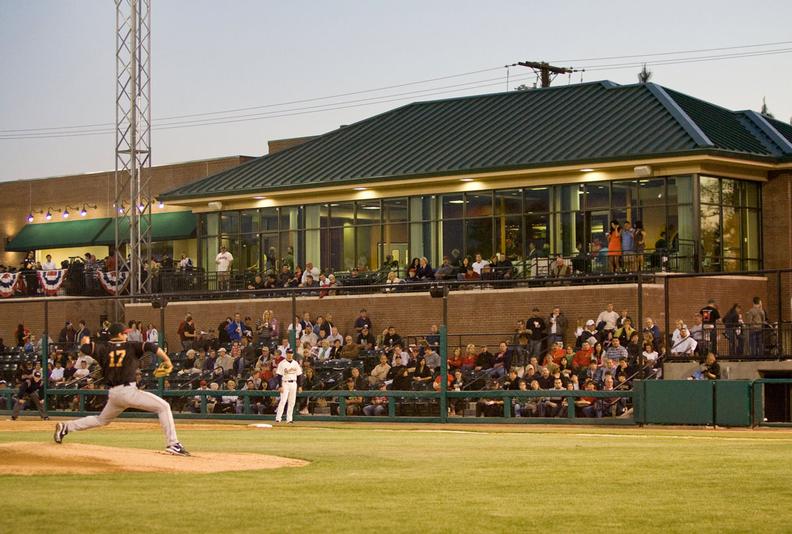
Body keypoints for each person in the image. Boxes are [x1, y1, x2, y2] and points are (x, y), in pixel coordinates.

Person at [53, 323, 189, 456]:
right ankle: (173, 444)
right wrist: (167, 361)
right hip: (128, 391)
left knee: (101, 420)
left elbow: (85, 347)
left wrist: (85, 341)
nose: (127, 335)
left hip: (114, 394)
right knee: (164, 407)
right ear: (119, 334)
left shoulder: (103, 348)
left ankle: (66, 427)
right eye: (125, 333)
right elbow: (151, 346)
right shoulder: (131, 346)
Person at [274, 349, 303, 423]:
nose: (290, 354)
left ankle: (289, 419)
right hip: (285, 383)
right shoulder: (282, 363)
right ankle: (278, 418)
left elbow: (299, 375)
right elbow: (279, 376)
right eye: (288, 353)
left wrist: (300, 386)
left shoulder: (295, 363)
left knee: (292, 402)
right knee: (283, 400)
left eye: (291, 353)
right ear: (286, 354)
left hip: (294, 383)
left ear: (293, 354)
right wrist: (280, 386)